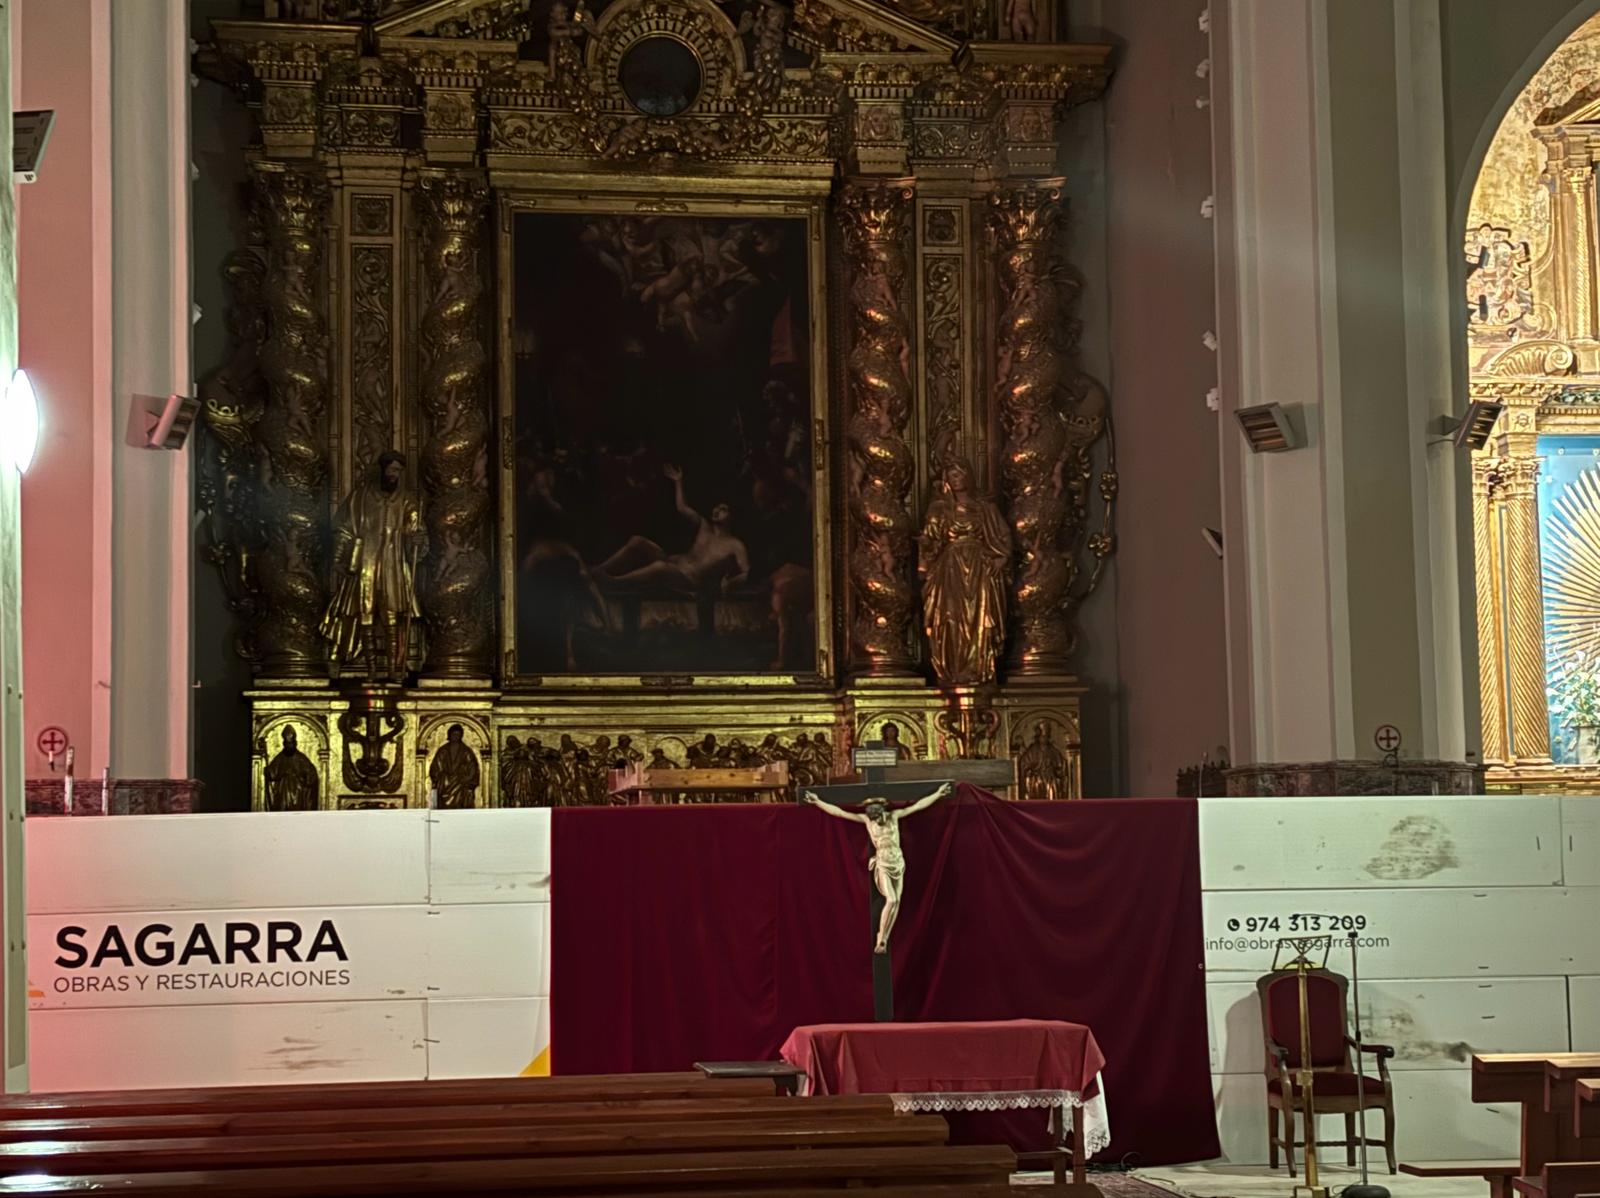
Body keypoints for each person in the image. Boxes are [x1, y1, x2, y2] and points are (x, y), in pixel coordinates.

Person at [802, 782, 954, 954]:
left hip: (897, 862)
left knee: (897, 902)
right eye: (876, 819)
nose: (879, 822)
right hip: (882, 862)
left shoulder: (894, 816)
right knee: (891, 900)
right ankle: (881, 938)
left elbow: (918, 806)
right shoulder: (867, 820)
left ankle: (884, 937)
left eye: (880, 818)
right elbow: (839, 812)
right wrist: (817, 801)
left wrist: (938, 794)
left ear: (883, 812)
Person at [321, 450, 428, 681]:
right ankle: (370, 670)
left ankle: (393, 669)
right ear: (381, 470)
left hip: (393, 565)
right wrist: (339, 559)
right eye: (391, 470)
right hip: (365, 563)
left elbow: (415, 529)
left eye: (398, 471)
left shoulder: (408, 501)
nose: (394, 475)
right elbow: (344, 529)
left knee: (392, 618)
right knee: (365, 616)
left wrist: (417, 538)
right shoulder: (360, 498)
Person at [918, 458, 1012, 687]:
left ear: (968, 476)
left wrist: (1003, 558)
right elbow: (929, 540)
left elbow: (1003, 535)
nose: (955, 479)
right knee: (950, 618)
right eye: (951, 476)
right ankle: (952, 670)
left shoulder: (985, 508)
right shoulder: (939, 508)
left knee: (980, 616)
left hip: (979, 568)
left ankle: (980, 670)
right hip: (950, 569)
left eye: (959, 474)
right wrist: (925, 553)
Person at [592, 464, 749, 594]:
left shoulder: (735, 545)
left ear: (732, 517)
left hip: (690, 580)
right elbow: (682, 508)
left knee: (660, 568)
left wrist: (730, 584)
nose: (716, 510)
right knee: (638, 542)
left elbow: (746, 572)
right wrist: (678, 481)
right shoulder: (704, 526)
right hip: (675, 564)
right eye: (716, 507)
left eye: (723, 509)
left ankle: (614, 583)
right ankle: (597, 571)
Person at [264, 727, 319, 812]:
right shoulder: (280, 758)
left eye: (291, 743)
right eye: (287, 744)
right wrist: (268, 771)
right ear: (284, 744)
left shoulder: (301, 759)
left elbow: (311, 775)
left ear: (295, 743)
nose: (289, 746)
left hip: (298, 793)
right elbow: (272, 773)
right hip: (282, 793)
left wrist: (301, 778)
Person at [428, 723, 480, 809]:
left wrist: (466, 778)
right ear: (449, 735)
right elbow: (436, 766)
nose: (455, 736)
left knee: (461, 788)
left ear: (461, 736)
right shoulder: (443, 750)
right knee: (444, 782)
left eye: (458, 735)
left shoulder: (466, 751)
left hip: (461, 782)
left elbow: (472, 767)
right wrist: (439, 776)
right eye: (453, 734)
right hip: (445, 782)